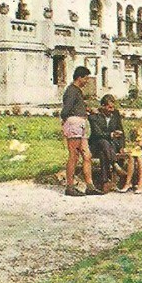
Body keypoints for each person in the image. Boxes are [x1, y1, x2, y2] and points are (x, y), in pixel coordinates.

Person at [61, 66, 102, 196]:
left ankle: (90, 186)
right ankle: (70, 187)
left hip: (81, 124)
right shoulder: (71, 91)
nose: (86, 81)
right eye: (85, 79)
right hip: (74, 123)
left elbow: (75, 106)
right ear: (79, 77)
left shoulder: (77, 91)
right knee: (74, 156)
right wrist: (68, 121)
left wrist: (86, 110)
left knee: (87, 155)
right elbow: (65, 110)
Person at [88, 94, 125, 192]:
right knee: (103, 142)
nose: (112, 110)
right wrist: (111, 135)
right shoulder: (94, 116)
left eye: (113, 107)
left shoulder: (116, 114)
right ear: (103, 106)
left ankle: (105, 182)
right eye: (109, 107)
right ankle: (115, 164)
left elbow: (121, 131)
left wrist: (122, 146)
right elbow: (97, 133)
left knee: (103, 153)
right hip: (96, 145)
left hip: (110, 147)